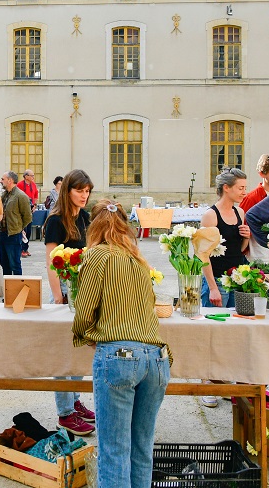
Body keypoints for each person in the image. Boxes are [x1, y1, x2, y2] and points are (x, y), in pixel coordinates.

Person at [72, 199, 172, 488]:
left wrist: (84, 335)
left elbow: (84, 308)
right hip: (157, 357)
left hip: (119, 354)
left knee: (114, 451)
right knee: (141, 449)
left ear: (94, 226)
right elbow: (150, 305)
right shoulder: (138, 260)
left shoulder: (97, 256)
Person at [43, 169, 95, 435]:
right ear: (68, 191)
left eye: (87, 191)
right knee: (64, 354)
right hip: (64, 289)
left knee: (79, 348)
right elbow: (52, 263)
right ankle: (64, 413)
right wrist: (58, 296)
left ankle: (74, 401)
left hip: (83, 290)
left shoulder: (84, 217)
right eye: (79, 191)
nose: (84, 196)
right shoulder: (56, 220)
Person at [197, 167, 251, 409]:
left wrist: (247, 235)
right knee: (212, 332)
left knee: (230, 334)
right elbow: (203, 255)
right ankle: (207, 382)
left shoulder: (240, 212)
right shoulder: (211, 216)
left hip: (235, 278)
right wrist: (212, 287)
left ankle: (224, 380)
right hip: (216, 281)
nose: (244, 192)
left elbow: (238, 250)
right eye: (240, 188)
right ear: (226, 188)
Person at [0, 171, 32, 276]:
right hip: (3, 234)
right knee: (4, 263)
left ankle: (18, 289)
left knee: (15, 264)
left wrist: (18, 228)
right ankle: (7, 289)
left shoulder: (20, 196)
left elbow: (27, 217)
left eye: (3, 179)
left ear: (10, 180)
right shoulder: (4, 195)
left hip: (13, 235)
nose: (1, 181)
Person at [17, 169, 40, 256]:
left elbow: (36, 195)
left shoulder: (33, 185)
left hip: (30, 210)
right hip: (22, 211)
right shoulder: (20, 185)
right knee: (24, 230)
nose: (33, 177)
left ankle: (26, 248)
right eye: (32, 175)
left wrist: (35, 205)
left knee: (29, 230)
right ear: (26, 176)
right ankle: (21, 249)